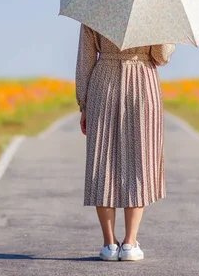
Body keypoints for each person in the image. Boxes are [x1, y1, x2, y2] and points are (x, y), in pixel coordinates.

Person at [75, 23, 175, 262]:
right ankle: (130, 243)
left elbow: (85, 59)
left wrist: (84, 103)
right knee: (140, 159)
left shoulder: (95, 6)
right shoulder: (153, 11)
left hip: (103, 83)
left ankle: (109, 244)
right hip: (142, 82)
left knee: (103, 161)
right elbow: (160, 57)